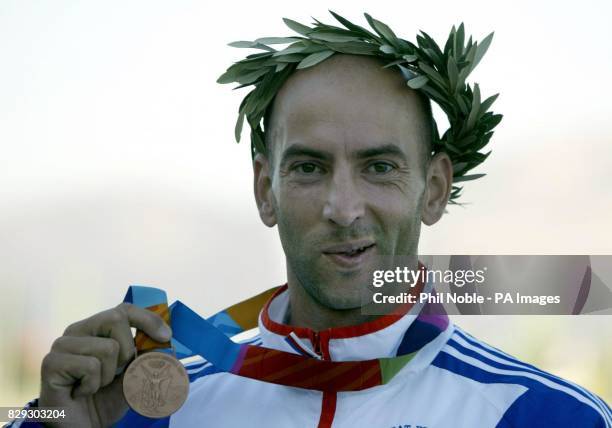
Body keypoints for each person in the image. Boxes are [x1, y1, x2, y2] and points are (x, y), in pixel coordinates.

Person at [9, 12, 611, 428]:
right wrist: (48, 418)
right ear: (263, 190)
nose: (343, 208)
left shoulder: (547, 415)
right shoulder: (154, 406)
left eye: (378, 166)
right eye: (308, 167)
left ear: (433, 189)